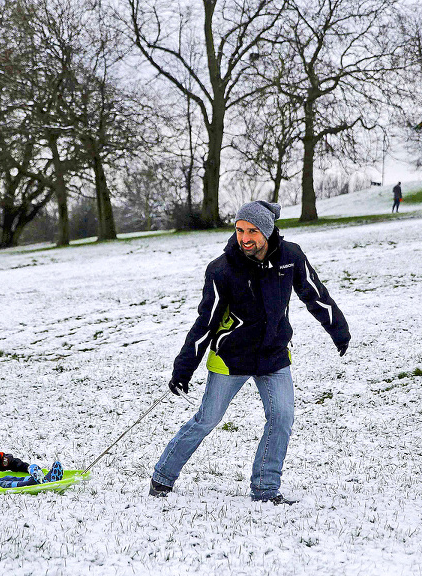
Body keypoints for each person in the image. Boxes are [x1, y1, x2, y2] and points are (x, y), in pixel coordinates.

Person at [150, 201, 350, 505]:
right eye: (240, 229)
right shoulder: (222, 269)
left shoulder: (290, 257)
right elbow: (206, 321)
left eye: (253, 231)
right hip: (231, 358)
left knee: (281, 418)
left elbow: (314, 293)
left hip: (273, 355)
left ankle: (266, 490)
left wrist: (338, 330)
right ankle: (162, 477)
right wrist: (183, 369)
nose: (245, 237)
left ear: (267, 231)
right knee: (206, 419)